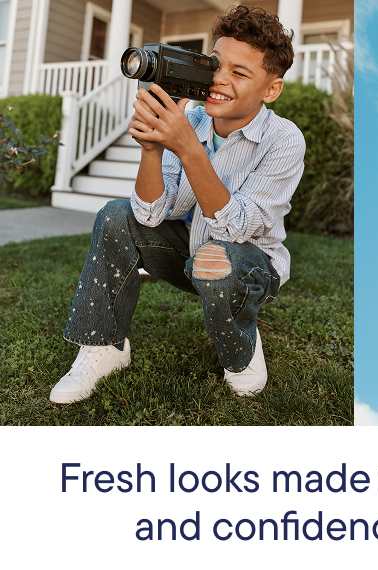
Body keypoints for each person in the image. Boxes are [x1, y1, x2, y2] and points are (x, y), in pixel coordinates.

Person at [50, 6, 306, 403]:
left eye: (240, 74)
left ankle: (240, 352)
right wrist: (151, 150)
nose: (220, 80)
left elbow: (237, 229)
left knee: (219, 257)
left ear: (270, 89)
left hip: (249, 264)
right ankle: (104, 347)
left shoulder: (284, 140)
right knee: (116, 217)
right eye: (216, 65)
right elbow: (150, 214)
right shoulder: (192, 117)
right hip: (188, 251)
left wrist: (188, 147)